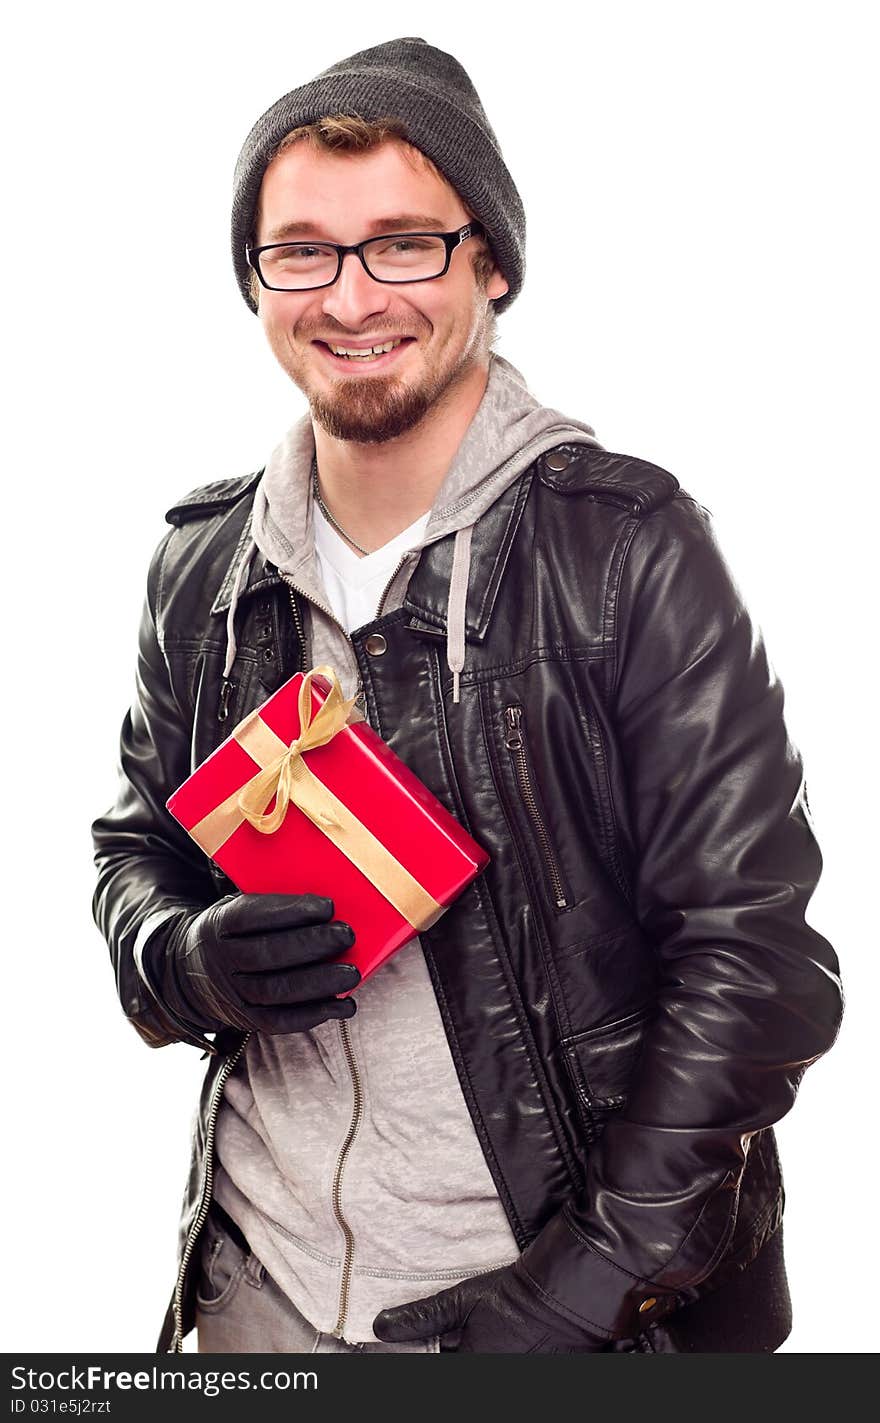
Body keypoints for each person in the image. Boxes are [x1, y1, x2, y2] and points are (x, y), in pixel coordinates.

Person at [90, 36, 842, 1356]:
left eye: (404, 244)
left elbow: (760, 960)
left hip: (549, 1303)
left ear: (490, 264)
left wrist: (591, 1285)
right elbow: (136, 851)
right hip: (251, 1295)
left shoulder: (626, 548)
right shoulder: (201, 564)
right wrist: (181, 955)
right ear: (256, 282)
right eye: (302, 250)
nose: (350, 293)